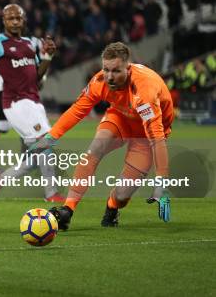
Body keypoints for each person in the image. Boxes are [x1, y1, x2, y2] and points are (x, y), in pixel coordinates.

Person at [31, 42, 174, 230]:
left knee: (123, 195)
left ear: (128, 68)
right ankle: (67, 210)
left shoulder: (144, 91)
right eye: (106, 69)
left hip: (146, 137)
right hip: (120, 117)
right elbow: (77, 111)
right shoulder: (99, 81)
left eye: (116, 71)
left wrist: (161, 183)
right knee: (96, 147)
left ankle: (112, 206)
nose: (109, 77)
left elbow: (157, 139)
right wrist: (50, 138)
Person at [0, 4, 64, 202]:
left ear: (23, 21)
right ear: (4, 21)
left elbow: (37, 77)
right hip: (14, 103)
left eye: (18, 18)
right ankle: (52, 193)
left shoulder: (31, 43)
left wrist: (48, 57)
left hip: (34, 101)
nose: (15, 22)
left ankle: (2, 178)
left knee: (37, 154)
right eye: (10, 18)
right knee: (44, 141)